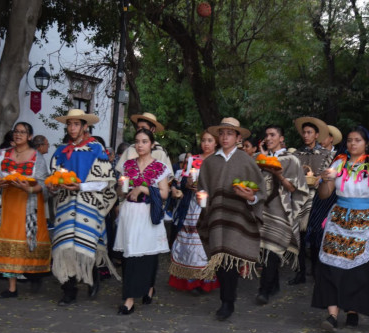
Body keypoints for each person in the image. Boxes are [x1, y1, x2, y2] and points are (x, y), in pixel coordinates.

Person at [312, 125, 369, 332]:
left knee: (357, 269)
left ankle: (353, 309)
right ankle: (332, 315)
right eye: (349, 140)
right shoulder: (338, 163)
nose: (352, 143)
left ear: (366, 143)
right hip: (338, 219)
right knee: (331, 266)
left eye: (357, 140)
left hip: (364, 221)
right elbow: (324, 194)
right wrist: (325, 180)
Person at [196, 117, 267, 321]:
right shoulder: (209, 162)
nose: (225, 137)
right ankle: (226, 299)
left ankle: (228, 302)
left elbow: (260, 190)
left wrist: (250, 197)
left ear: (238, 137)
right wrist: (202, 198)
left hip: (238, 215)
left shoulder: (247, 161)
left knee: (231, 260)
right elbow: (203, 188)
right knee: (218, 258)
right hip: (216, 215)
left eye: (230, 133)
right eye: (222, 133)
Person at [48, 109, 118, 306]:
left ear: (85, 126)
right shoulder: (61, 150)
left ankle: (92, 276)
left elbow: (105, 180)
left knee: (87, 244)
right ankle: (68, 290)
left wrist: (81, 186)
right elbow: (54, 175)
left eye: (76, 124)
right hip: (65, 204)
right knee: (64, 245)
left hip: (89, 203)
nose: (72, 128)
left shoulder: (96, 149)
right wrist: (53, 185)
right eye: (69, 124)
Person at [0, 122, 51, 298]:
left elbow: (44, 183)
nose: (18, 134)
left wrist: (29, 188)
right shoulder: (3, 154)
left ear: (29, 136)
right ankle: (12, 287)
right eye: (16, 131)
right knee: (8, 242)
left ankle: (34, 276)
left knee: (27, 241)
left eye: (23, 132)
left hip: (27, 205)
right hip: (7, 204)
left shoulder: (36, 156)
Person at [113, 128, 171, 314]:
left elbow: (164, 194)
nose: (140, 145)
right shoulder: (128, 165)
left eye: (144, 141)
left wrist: (144, 189)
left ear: (152, 144)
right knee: (130, 255)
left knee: (148, 254)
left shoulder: (160, 167)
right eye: (137, 141)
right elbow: (121, 191)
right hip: (130, 212)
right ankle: (129, 298)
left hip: (148, 212)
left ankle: (149, 286)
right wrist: (123, 188)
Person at [256, 125, 308, 305]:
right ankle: (274, 284)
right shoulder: (261, 159)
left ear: (281, 138)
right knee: (265, 249)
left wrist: (279, 176)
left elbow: (296, 189)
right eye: (266, 135)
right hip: (263, 208)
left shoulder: (291, 160)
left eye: (272, 135)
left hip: (281, 209)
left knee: (273, 249)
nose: (268, 138)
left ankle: (263, 290)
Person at [168, 131, 220, 294]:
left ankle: (206, 280)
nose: (206, 143)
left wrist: (206, 189)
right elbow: (181, 182)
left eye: (210, 140)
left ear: (216, 143)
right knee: (190, 241)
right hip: (191, 205)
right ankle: (190, 280)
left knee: (204, 242)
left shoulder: (219, 161)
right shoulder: (193, 160)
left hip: (209, 205)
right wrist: (188, 183)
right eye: (204, 140)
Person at [289, 116, 332, 285]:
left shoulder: (328, 155)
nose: (306, 135)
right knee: (299, 236)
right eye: (304, 132)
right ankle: (300, 272)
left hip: (319, 199)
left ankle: (316, 270)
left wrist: (320, 178)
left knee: (317, 236)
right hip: (299, 199)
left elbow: (330, 174)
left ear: (316, 135)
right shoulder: (296, 154)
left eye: (309, 132)